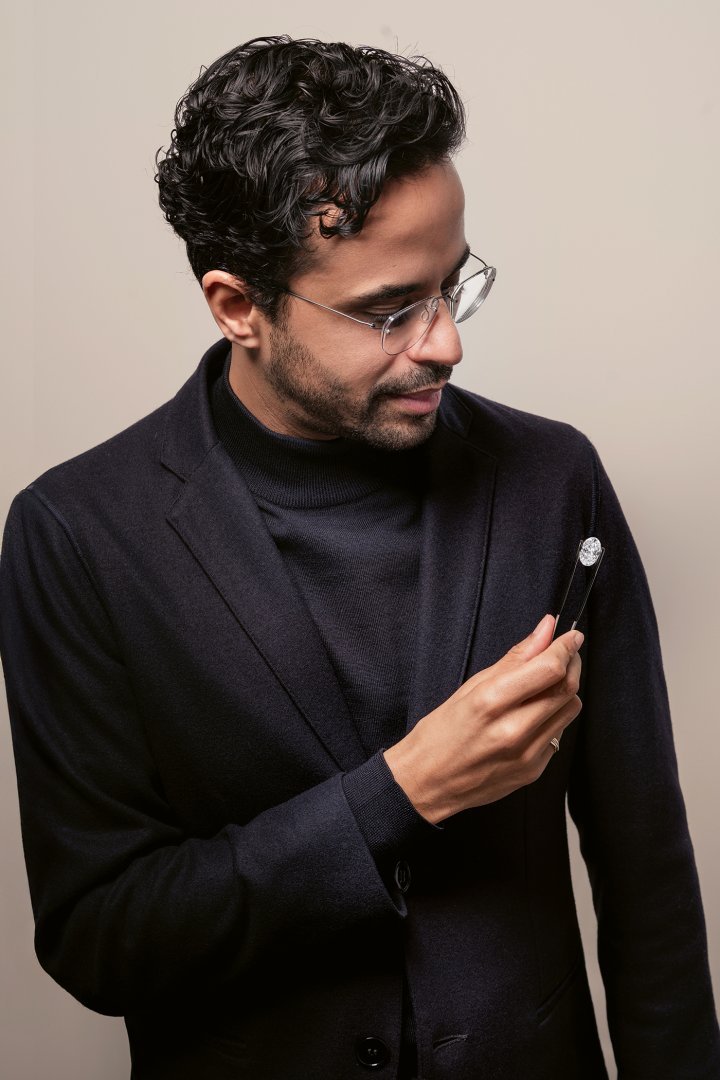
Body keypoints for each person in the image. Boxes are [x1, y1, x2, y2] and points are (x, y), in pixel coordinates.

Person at [0, 35, 717, 1080]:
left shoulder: (552, 477)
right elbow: (102, 937)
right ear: (238, 305)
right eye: (390, 313)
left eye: (455, 285)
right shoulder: (75, 533)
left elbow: (646, 876)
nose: (446, 344)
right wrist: (402, 793)